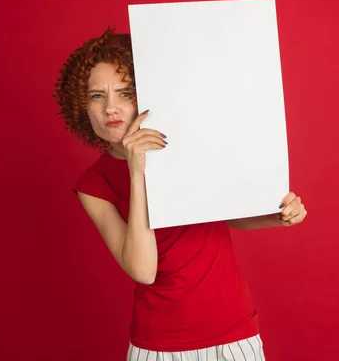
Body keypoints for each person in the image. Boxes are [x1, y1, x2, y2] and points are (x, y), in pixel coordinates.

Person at [53, 25, 307, 361]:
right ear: (81, 107)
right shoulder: (94, 184)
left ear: (145, 95)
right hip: (160, 345)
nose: (111, 108)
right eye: (97, 96)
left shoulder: (188, 144)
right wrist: (137, 172)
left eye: (125, 93)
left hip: (235, 331)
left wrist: (276, 216)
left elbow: (221, 219)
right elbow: (144, 270)